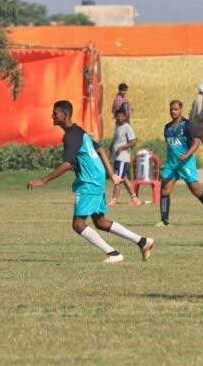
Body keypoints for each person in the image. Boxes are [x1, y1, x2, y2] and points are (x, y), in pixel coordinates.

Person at [28, 100, 155, 264]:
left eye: (55, 113)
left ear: (65, 114)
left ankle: (114, 254)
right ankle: (143, 242)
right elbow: (100, 149)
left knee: (78, 224)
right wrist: (111, 174)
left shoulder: (70, 136)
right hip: (96, 178)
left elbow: (67, 164)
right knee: (100, 222)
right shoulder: (79, 131)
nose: (52, 115)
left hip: (89, 182)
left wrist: (43, 180)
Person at [155, 100, 203, 227]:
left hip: (186, 163)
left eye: (176, 109)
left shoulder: (187, 125)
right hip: (172, 164)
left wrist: (186, 155)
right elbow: (171, 146)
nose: (173, 111)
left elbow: (197, 142)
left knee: (196, 190)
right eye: (171, 109)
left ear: (181, 110)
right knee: (164, 190)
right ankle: (164, 220)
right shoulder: (167, 128)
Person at [108, 107, 141, 205]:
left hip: (122, 158)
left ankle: (114, 199)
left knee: (118, 178)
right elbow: (114, 140)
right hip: (116, 158)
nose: (119, 118)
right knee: (124, 178)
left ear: (125, 117)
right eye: (117, 116)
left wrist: (122, 148)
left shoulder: (127, 127)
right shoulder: (117, 126)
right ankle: (134, 198)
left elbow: (133, 141)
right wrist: (109, 150)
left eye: (121, 116)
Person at [189, 82, 203, 159]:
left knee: (192, 146)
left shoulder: (196, 99)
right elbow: (200, 115)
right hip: (200, 127)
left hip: (193, 126)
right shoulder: (200, 100)